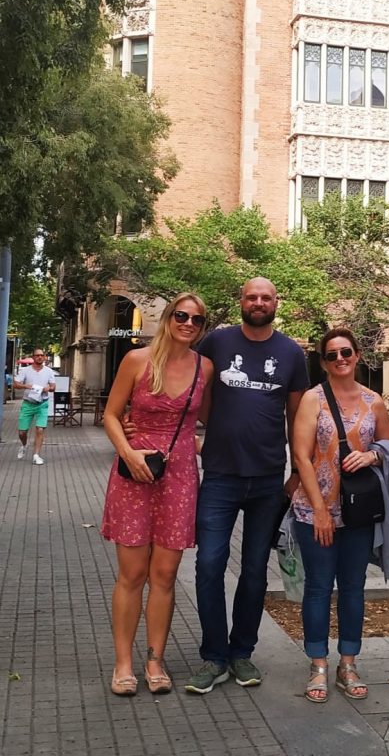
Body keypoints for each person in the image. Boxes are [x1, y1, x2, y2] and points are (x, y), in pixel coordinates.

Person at [184, 277, 309, 695]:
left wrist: (297, 472)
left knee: (255, 572)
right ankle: (214, 657)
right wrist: (210, 432)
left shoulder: (291, 353)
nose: (259, 302)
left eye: (266, 297)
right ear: (241, 301)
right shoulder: (216, 343)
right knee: (208, 565)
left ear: (277, 302)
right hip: (220, 476)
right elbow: (197, 393)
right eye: (252, 296)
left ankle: (241, 652)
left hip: (268, 480)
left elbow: (298, 419)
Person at [101, 293, 212, 696]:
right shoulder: (137, 360)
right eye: (181, 315)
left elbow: (210, 420)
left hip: (179, 475)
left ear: (202, 328)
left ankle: (154, 660)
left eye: (196, 320)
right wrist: (127, 451)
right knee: (132, 574)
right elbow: (111, 415)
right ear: (167, 318)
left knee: (164, 575)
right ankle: (123, 663)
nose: (187, 323)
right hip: (135, 472)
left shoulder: (206, 368)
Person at [290, 328, 389, 704]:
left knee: (353, 587)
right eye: (331, 355)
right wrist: (319, 509)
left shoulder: (373, 401)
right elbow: (301, 455)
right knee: (318, 586)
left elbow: (388, 447)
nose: (340, 359)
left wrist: (371, 455)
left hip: (358, 511)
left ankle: (348, 663)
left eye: (346, 352)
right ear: (323, 361)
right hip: (314, 509)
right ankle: (318, 663)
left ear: (357, 355)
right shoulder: (312, 400)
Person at [14, 349, 56, 465]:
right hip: (28, 403)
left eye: (42, 355)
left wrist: (49, 388)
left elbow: (53, 387)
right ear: (33, 357)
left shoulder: (48, 371)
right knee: (22, 432)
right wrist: (26, 386)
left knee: (40, 429)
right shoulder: (25, 370)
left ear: (45, 357)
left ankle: (36, 455)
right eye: (37, 355)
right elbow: (15, 384)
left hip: (42, 404)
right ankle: (24, 445)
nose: (39, 357)